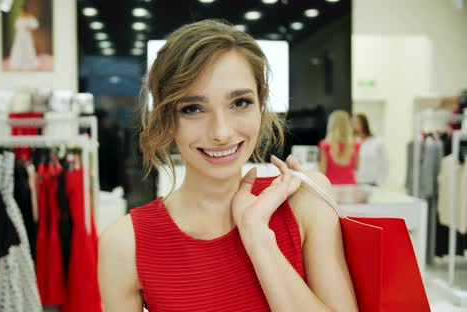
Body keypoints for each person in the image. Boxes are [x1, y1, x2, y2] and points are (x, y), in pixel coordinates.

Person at [98, 20, 358, 311]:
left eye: (240, 103)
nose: (221, 132)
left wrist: (258, 236)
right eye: (192, 108)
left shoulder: (305, 200)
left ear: (261, 107)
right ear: (166, 120)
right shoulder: (125, 244)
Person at [318, 110, 360, 185]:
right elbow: (356, 167)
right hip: (350, 186)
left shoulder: (325, 145)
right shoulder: (355, 144)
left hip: (331, 186)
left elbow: (323, 171)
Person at [353, 113, 389, 186]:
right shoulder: (354, 142)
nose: (354, 125)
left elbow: (385, 162)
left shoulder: (377, 142)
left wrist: (380, 181)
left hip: (372, 182)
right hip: (356, 182)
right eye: (353, 123)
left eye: (356, 122)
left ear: (364, 124)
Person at [9, 6, 39, 70]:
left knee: (28, 48)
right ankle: (18, 63)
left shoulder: (30, 17)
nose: (21, 12)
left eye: (22, 11)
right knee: (19, 48)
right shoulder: (19, 19)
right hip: (20, 36)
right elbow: (17, 26)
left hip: (27, 36)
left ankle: (29, 63)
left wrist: (29, 28)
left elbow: (35, 25)